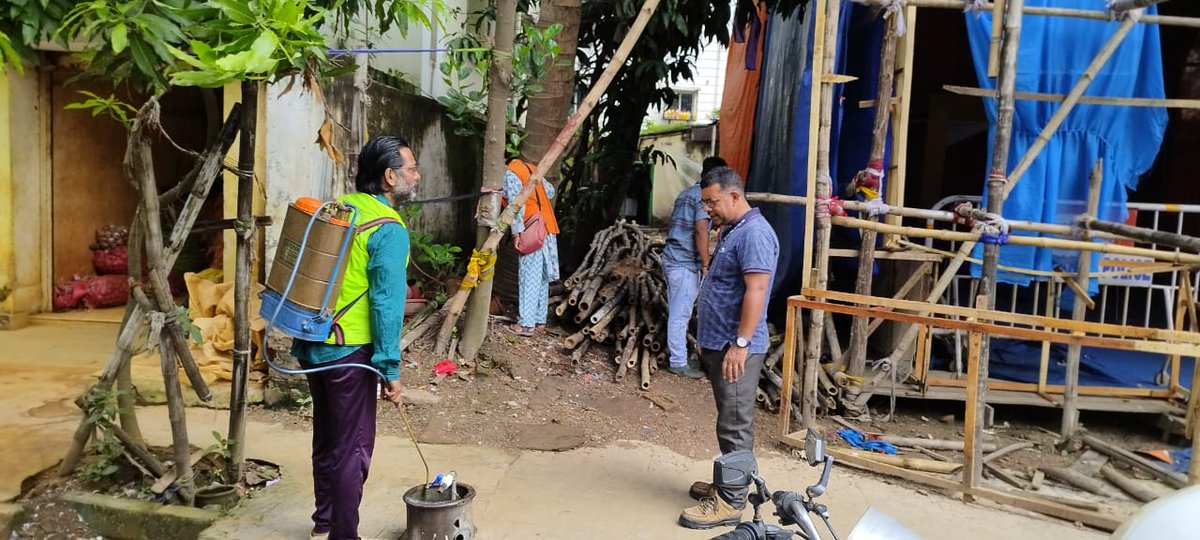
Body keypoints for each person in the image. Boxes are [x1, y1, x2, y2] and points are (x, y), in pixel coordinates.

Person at [291, 136, 419, 540]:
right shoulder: (389, 230)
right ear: (389, 176)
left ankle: (323, 524)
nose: (417, 175)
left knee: (327, 438)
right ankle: (343, 535)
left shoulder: (339, 208)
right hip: (350, 354)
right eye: (411, 169)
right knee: (353, 448)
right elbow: (386, 305)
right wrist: (389, 369)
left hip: (312, 344)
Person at [678, 165, 779, 530]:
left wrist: (739, 343)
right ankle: (728, 483)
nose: (707, 208)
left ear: (735, 195)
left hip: (737, 347)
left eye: (712, 201)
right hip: (720, 344)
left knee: (735, 424)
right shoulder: (735, 230)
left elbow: (756, 291)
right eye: (704, 202)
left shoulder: (754, 234)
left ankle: (731, 502)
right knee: (728, 421)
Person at [661, 156, 726, 379]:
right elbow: (700, 231)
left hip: (673, 256)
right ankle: (677, 362)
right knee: (681, 312)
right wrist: (706, 263)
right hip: (684, 262)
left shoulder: (685, 193)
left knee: (679, 310)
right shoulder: (701, 197)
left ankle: (679, 355)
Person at [503, 158, 560, 336]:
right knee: (542, 277)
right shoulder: (533, 169)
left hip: (533, 228)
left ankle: (526, 325)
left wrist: (516, 233)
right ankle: (539, 321)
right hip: (548, 227)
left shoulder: (511, 173)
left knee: (529, 276)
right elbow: (550, 192)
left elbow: (516, 204)